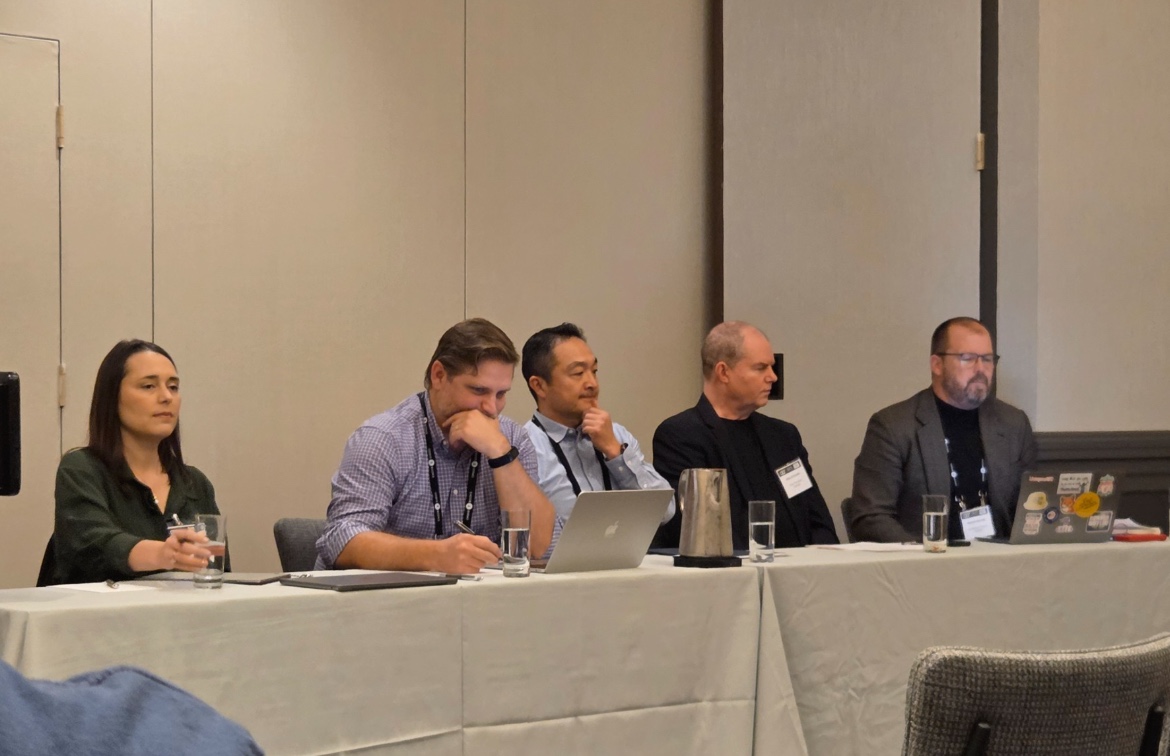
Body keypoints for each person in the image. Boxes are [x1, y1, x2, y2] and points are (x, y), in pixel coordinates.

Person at [317, 318, 558, 574]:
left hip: (479, 597)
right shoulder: (384, 438)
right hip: (387, 596)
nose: (491, 408)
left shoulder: (511, 439)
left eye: (501, 394)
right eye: (478, 390)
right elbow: (342, 540)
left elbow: (537, 547)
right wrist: (436, 555)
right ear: (439, 375)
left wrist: (501, 454)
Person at [652, 321, 839, 550]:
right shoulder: (683, 436)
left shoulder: (784, 436)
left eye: (772, 367)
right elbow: (700, 533)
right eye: (761, 368)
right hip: (737, 569)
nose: (773, 377)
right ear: (723, 372)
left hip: (802, 568)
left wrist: (820, 562)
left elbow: (819, 522)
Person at [849, 316, 1038, 542]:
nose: (981, 369)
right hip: (924, 558)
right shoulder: (893, 426)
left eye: (987, 359)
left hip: (1001, 559)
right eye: (968, 359)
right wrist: (926, 554)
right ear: (937, 365)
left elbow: (1031, 508)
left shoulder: (1013, 424)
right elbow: (871, 517)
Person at [51, 340, 220, 585]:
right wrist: (163, 554)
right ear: (112, 397)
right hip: (101, 608)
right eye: (148, 386)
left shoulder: (195, 483)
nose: (166, 397)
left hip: (184, 608)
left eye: (173, 387)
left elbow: (217, 571)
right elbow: (93, 544)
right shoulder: (82, 468)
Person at [520, 323, 675, 523]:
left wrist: (615, 453)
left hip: (626, 545)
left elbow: (665, 512)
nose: (592, 383)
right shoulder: (525, 448)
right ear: (539, 386)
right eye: (578, 373)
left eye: (594, 371)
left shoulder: (617, 435)